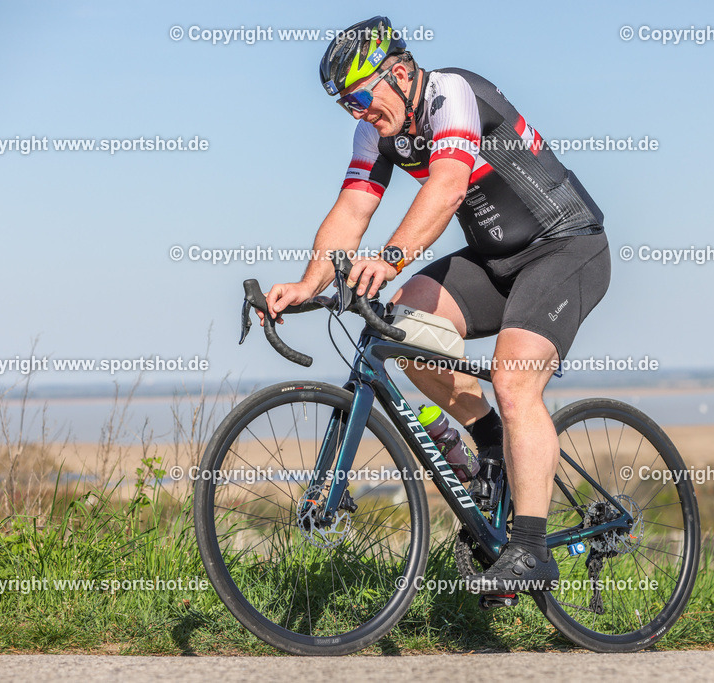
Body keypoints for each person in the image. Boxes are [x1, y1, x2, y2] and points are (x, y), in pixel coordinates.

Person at [260, 16, 611, 593]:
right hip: (495, 261)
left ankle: (530, 552)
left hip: (566, 247)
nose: (357, 114)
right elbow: (352, 211)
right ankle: (491, 442)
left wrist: (392, 256)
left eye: (360, 98)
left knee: (514, 377)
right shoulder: (377, 129)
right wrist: (306, 285)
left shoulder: (453, 93)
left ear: (398, 74)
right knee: (402, 323)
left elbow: (447, 185)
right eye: (346, 106)